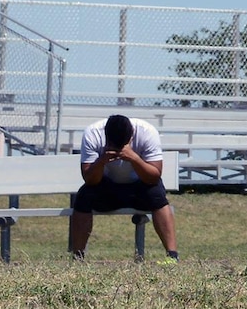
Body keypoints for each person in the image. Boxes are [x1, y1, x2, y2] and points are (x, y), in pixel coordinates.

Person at [70, 112, 180, 262]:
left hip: (140, 185)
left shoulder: (147, 132)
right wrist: (102, 161)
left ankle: (172, 256)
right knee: (83, 197)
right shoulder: (93, 133)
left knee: (157, 195)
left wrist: (134, 158)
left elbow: (154, 175)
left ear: (131, 136)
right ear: (106, 137)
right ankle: (78, 257)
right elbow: (89, 179)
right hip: (106, 185)